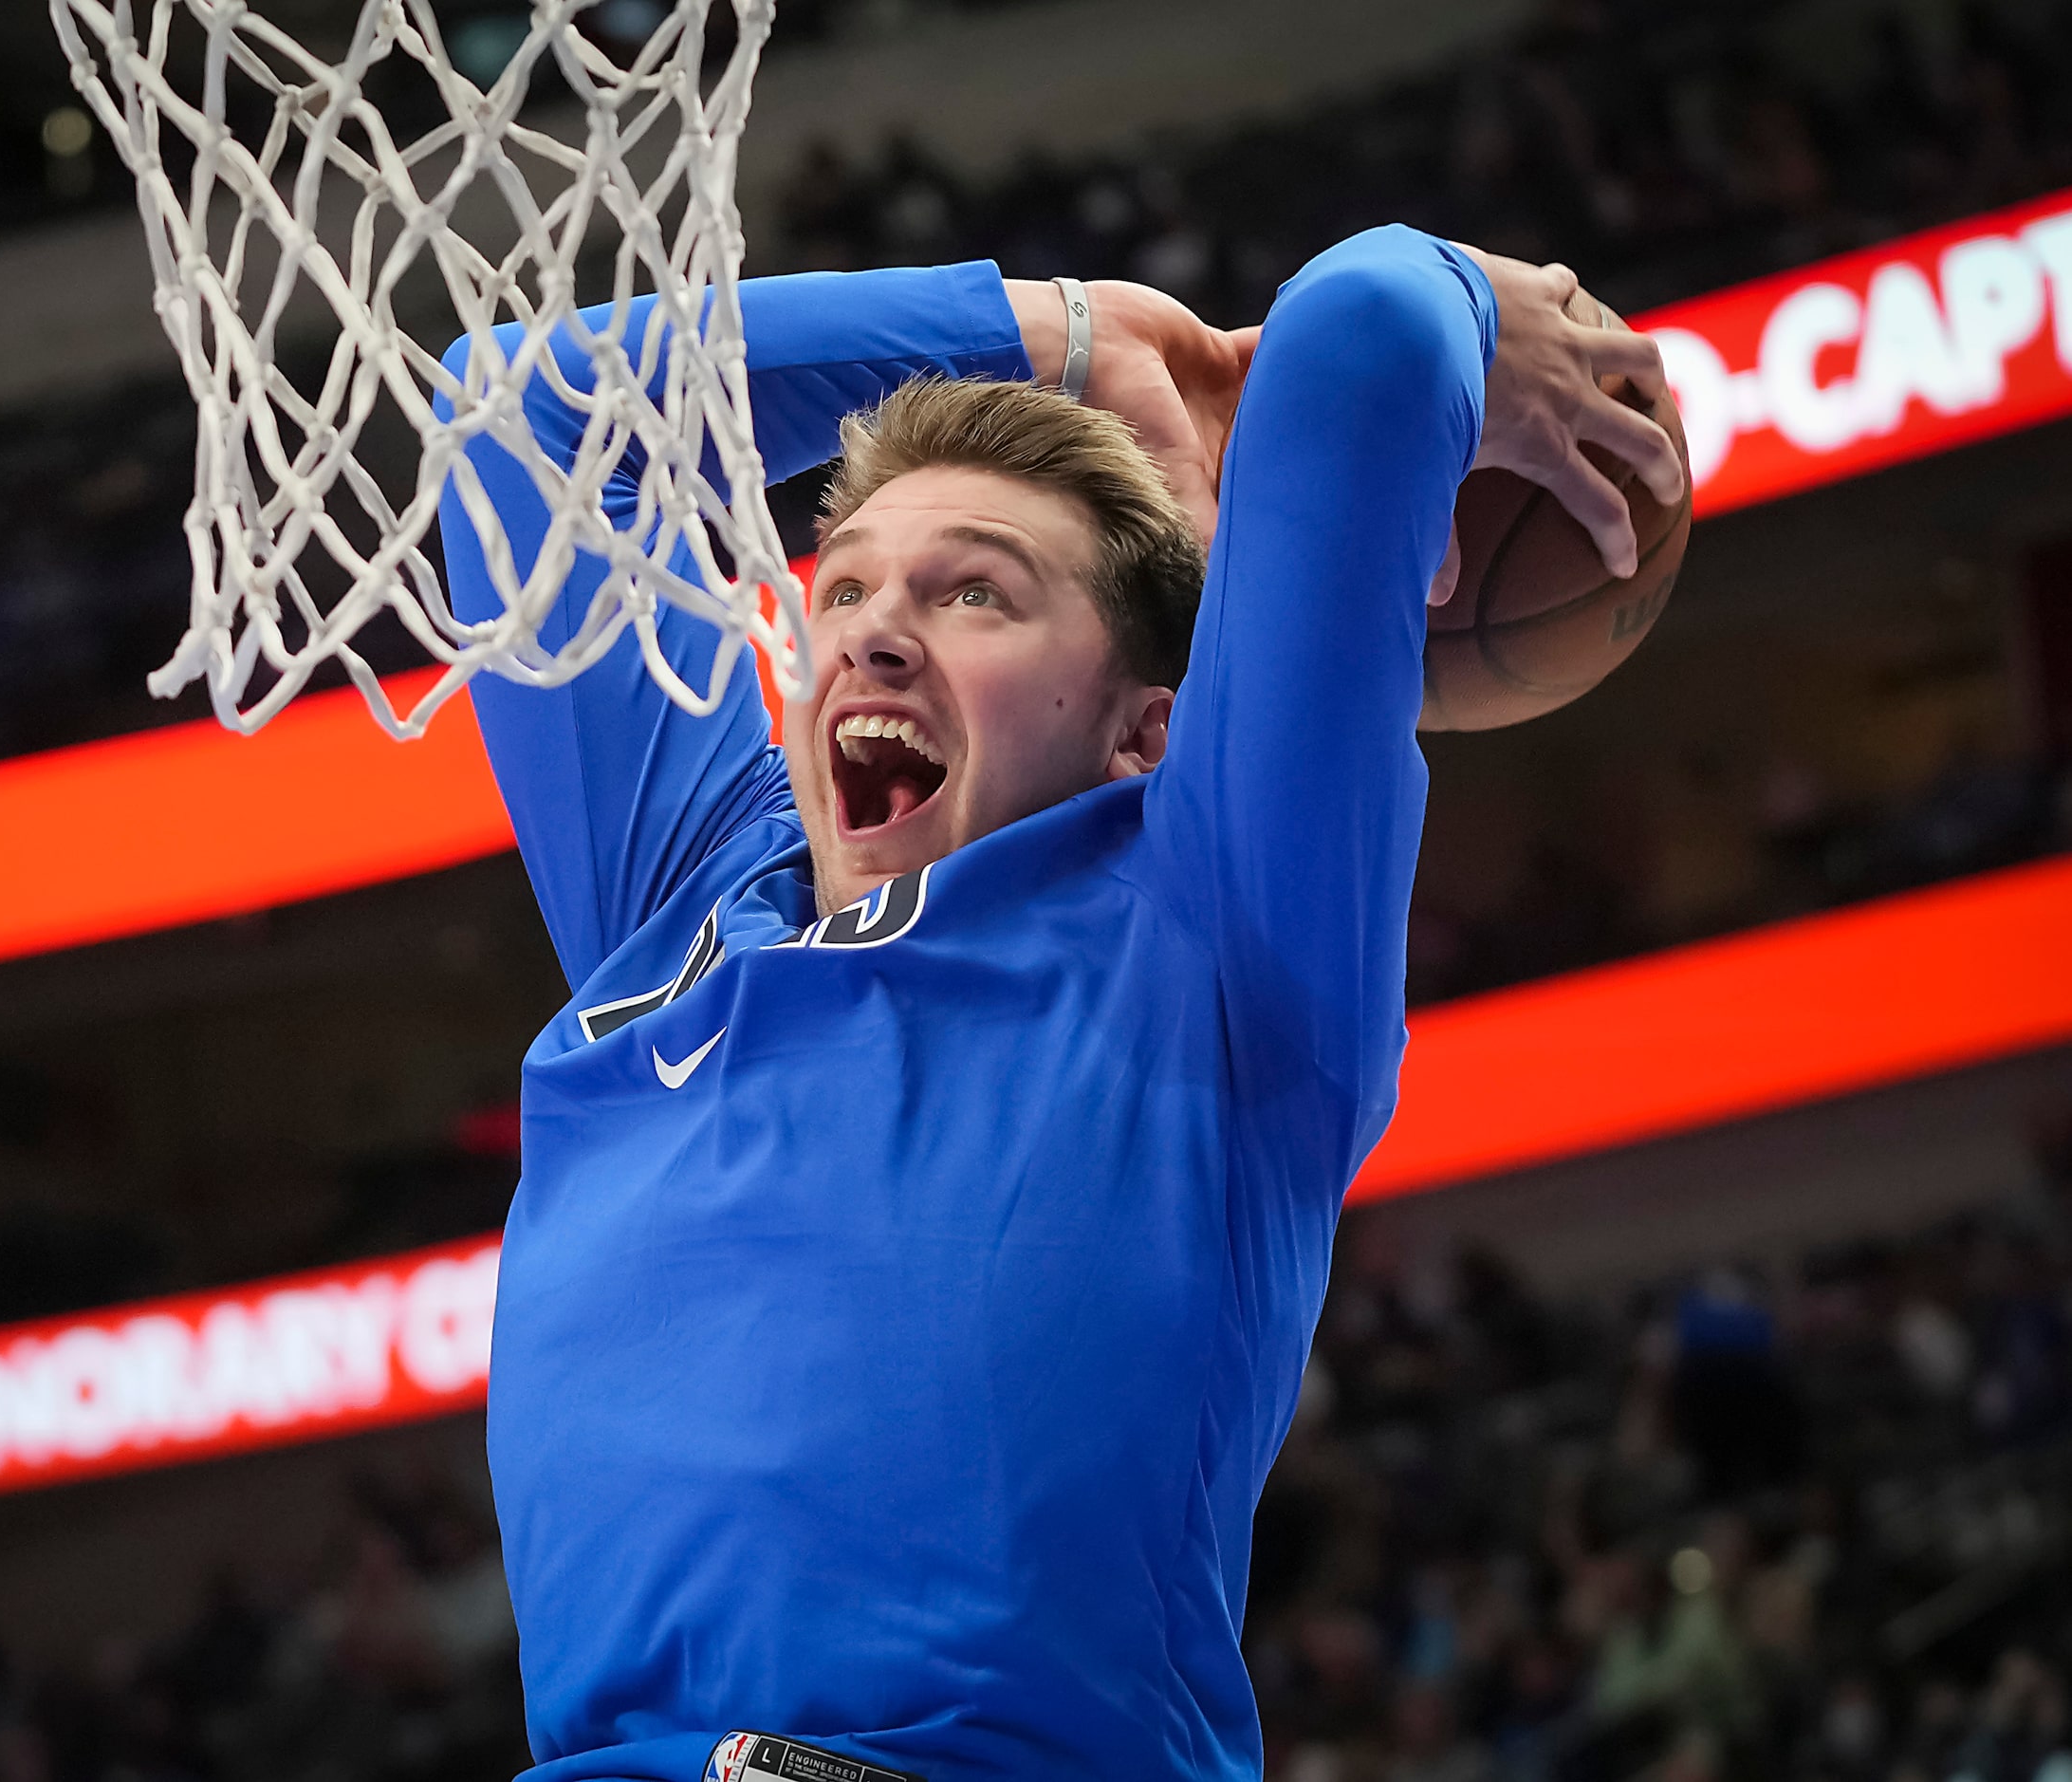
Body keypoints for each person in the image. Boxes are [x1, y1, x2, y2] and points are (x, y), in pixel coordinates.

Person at [437, 228, 1680, 1782]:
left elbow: (1360, 330)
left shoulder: (1206, 925)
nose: (874, 631)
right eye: (846, 589)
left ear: (1142, 732)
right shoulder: (683, 910)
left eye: (975, 594)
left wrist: (1456, 296)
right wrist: (1056, 337)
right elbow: (517, 423)